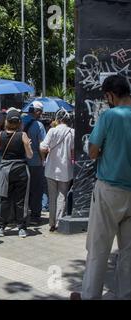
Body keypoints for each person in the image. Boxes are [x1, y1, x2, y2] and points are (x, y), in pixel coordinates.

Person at [71, 75, 131, 300]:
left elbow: (93, 151)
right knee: (128, 252)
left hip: (109, 191)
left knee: (98, 248)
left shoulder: (108, 116)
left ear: (110, 95)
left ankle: (90, 296)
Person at [0, 109, 33, 238]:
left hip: (5, 171)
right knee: (21, 201)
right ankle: (21, 227)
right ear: (19, 122)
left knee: (4, 199)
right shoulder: (23, 135)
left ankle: (1, 227)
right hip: (21, 170)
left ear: (7, 122)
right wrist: (28, 145)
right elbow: (30, 155)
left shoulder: (1, 134)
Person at [40, 109, 74, 232]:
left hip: (51, 169)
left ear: (57, 119)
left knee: (52, 196)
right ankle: (59, 222)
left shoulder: (52, 131)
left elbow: (43, 147)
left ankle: (52, 223)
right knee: (62, 197)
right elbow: (74, 150)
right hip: (65, 169)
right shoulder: (72, 132)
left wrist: (48, 151)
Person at [22, 101, 46, 224]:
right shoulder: (39, 125)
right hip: (35, 162)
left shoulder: (20, 121)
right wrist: (43, 159)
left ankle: (21, 215)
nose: (41, 115)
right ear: (37, 112)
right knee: (36, 189)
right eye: (41, 112)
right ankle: (35, 216)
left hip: (21, 161)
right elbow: (43, 146)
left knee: (23, 190)